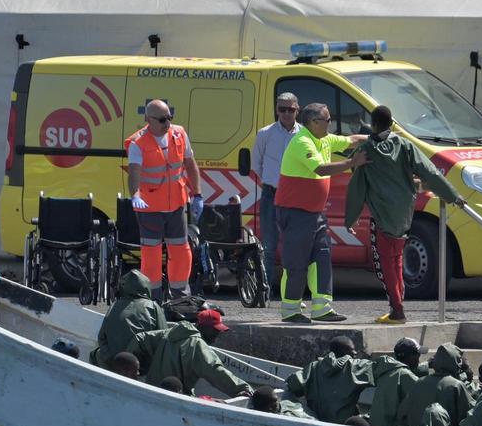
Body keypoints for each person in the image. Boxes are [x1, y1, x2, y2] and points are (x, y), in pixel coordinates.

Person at [344, 104, 463, 324]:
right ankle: (398, 306)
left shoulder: (367, 150)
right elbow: (430, 171)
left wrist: (350, 217)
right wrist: (452, 195)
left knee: (387, 265)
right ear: (391, 124)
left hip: (381, 216)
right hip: (404, 214)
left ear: (373, 124)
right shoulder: (405, 145)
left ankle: (397, 310)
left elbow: (357, 184)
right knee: (397, 260)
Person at [274, 103, 368, 323]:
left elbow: (351, 140)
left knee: (322, 258)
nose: (331, 124)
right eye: (327, 120)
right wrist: (352, 163)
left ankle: (322, 308)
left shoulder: (324, 139)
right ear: (314, 122)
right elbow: (320, 169)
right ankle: (290, 310)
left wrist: (378, 137)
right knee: (296, 262)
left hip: (314, 213)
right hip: (295, 212)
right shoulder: (302, 142)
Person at [126, 100, 203, 301]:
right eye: (162, 119)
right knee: (151, 254)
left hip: (176, 205)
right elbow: (134, 173)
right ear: (148, 119)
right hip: (150, 208)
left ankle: (180, 296)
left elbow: (190, 164)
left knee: (181, 250)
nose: (167, 123)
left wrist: (198, 194)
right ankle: (153, 299)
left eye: (169, 117)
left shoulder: (179, 134)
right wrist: (135, 195)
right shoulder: (138, 143)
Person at [253, 92, 301, 296]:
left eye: (290, 109)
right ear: (276, 110)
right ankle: (264, 291)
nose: (286, 113)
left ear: (297, 110)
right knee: (269, 246)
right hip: (271, 195)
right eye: (282, 109)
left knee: (295, 247)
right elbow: (256, 163)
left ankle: (292, 293)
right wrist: (269, 184)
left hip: (296, 197)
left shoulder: (304, 135)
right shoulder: (265, 133)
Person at [126, 322, 252, 398]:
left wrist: (134, 370)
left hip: (150, 391)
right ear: (203, 327)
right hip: (177, 398)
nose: (215, 337)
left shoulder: (167, 333)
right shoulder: (197, 345)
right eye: (214, 331)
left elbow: (140, 339)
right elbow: (214, 370)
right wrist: (242, 389)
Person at [284, 336, 373, 423]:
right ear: (343, 352)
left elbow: (292, 386)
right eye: (352, 350)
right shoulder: (355, 368)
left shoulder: (314, 367)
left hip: (318, 422)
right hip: (347, 423)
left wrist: (302, 414)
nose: (355, 352)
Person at [91, 269, 167, 369]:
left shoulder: (114, 306)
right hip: (142, 365)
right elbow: (164, 337)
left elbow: (102, 338)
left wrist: (110, 360)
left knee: (94, 354)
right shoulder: (153, 306)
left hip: (116, 362)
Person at [397, 344, 474, 426]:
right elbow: (469, 416)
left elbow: (402, 413)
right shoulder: (456, 385)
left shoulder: (420, 382)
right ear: (455, 363)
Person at [369, 337, 426, 426]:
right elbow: (421, 396)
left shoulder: (386, 370)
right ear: (412, 356)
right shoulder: (405, 375)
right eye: (418, 355)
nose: (419, 360)